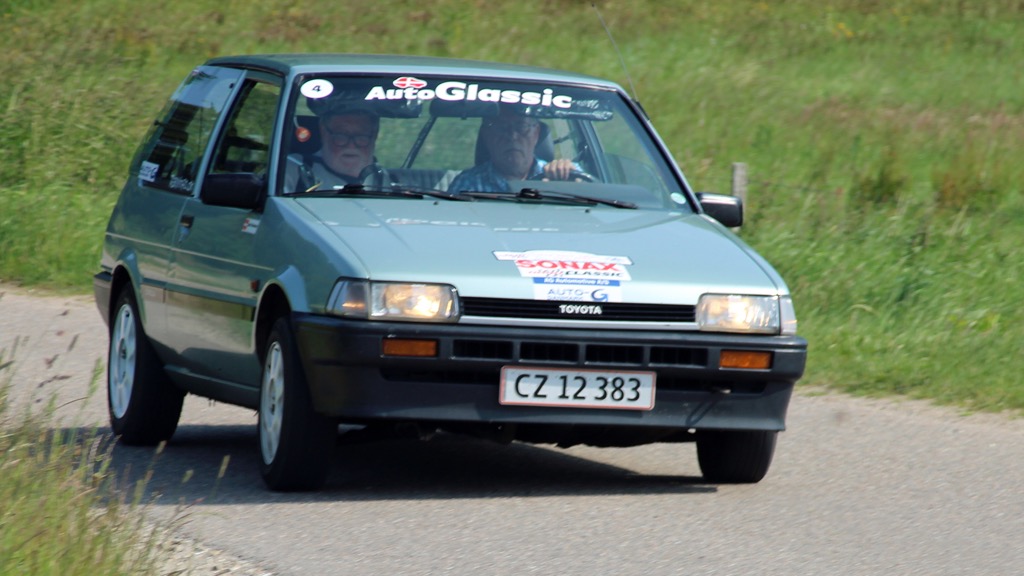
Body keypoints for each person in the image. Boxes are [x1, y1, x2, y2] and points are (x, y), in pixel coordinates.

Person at [448, 106, 578, 194]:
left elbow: (589, 218)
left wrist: (568, 186)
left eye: (521, 127)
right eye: (501, 128)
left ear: (536, 134)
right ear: (487, 136)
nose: (512, 136)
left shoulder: (567, 175)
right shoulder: (468, 184)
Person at [284, 102, 388, 192]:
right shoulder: (293, 171)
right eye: (341, 135)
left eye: (361, 136)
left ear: (374, 135)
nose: (351, 145)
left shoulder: (394, 184)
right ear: (323, 132)